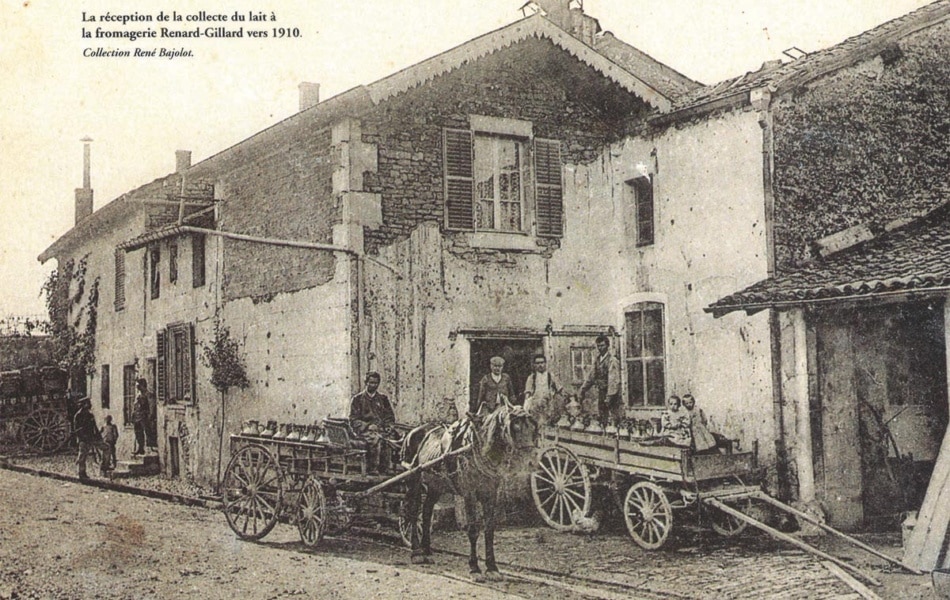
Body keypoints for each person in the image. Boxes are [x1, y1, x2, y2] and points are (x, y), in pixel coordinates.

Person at [349, 371, 396, 474]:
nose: (373, 385)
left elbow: (390, 417)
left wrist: (389, 426)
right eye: (371, 382)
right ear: (366, 383)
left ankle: (387, 468)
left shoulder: (383, 399)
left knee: (390, 440)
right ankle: (373, 469)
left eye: (376, 383)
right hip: (364, 432)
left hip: (380, 429)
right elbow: (353, 420)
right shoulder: (357, 399)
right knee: (376, 439)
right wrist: (368, 426)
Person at [580, 336, 621, 424]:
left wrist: (609, 396)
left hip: (612, 394)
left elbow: (613, 380)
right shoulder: (597, 360)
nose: (600, 348)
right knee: (602, 415)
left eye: (602, 345)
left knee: (613, 417)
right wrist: (583, 389)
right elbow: (591, 376)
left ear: (607, 346)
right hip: (602, 392)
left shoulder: (612, 360)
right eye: (598, 346)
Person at [523, 353, 563, 425]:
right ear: (534, 365)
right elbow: (527, 393)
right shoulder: (532, 377)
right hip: (535, 407)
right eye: (537, 363)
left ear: (545, 363)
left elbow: (560, 390)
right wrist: (526, 406)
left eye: (542, 362)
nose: (540, 365)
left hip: (549, 406)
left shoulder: (551, 376)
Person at [73, 398, 101, 479]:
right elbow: (77, 430)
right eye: (88, 403)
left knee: (106, 448)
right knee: (82, 456)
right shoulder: (78, 416)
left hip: (91, 438)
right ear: (84, 405)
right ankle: (81, 473)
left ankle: (104, 466)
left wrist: (99, 437)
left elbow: (94, 427)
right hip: (83, 439)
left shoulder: (90, 415)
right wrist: (82, 438)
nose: (90, 405)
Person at [131, 378, 149, 456]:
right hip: (137, 417)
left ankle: (148, 449)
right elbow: (135, 407)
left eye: (138, 385)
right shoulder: (138, 395)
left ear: (142, 385)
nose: (137, 387)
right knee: (138, 433)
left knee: (146, 432)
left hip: (144, 416)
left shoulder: (147, 395)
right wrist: (133, 415)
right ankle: (140, 448)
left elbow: (150, 407)